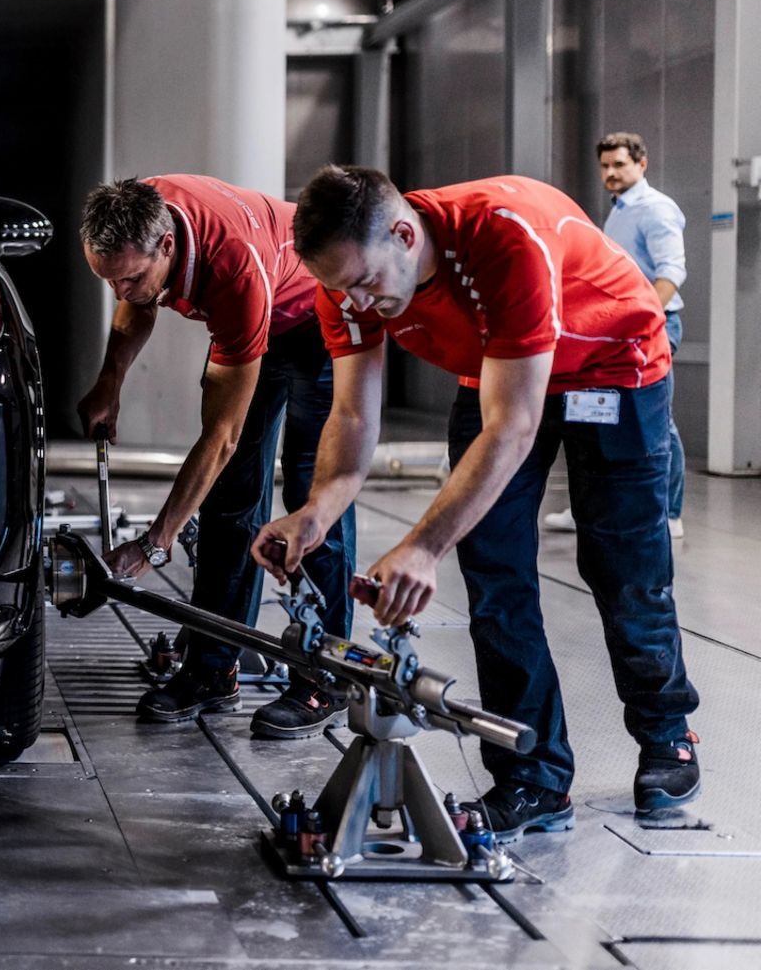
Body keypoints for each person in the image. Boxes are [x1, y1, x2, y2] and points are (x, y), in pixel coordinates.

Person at [255, 165, 702, 842]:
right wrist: (315, 510)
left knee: (624, 569)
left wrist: (423, 545)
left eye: (367, 282)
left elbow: (514, 427)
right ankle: (534, 776)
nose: (357, 302)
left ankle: (668, 736)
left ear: (405, 234)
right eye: (339, 287)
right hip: (499, 370)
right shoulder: (349, 286)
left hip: (614, 364)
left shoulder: (503, 238)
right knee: (496, 577)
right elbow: (351, 416)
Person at [77, 176, 355, 739]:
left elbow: (221, 437)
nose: (122, 289)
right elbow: (137, 301)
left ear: (168, 248)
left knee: (312, 497)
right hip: (260, 316)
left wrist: (157, 542)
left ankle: (324, 678)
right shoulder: (139, 214)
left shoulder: (233, 269)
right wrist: (110, 380)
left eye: (132, 276)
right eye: (109, 279)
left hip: (319, 322)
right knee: (231, 501)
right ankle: (211, 670)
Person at [544, 132, 688, 538]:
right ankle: (589, 506)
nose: (610, 173)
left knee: (657, 419)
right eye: (605, 166)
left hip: (651, 328)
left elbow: (671, 273)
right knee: (594, 413)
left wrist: (644, 323)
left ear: (641, 165)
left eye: (619, 165)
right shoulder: (621, 209)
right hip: (617, 332)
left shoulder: (655, 209)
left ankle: (669, 515)